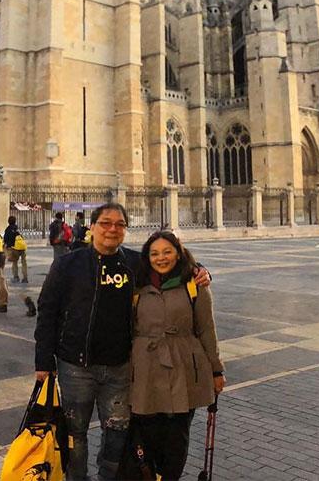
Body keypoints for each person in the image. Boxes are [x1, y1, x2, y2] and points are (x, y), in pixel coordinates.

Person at [34, 203, 211, 481]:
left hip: (119, 368)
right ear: (92, 227)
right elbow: (47, 312)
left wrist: (200, 270)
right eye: (105, 223)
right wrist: (43, 361)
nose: (112, 229)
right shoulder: (68, 264)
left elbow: (168, 262)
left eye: (119, 224)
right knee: (75, 435)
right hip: (76, 367)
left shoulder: (133, 262)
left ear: (125, 230)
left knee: (116, 435)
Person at [123, 231, 225, 481]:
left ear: (178, 253)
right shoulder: (137, 285)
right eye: (155, 253)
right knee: (146, 431)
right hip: (146, 367)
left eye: (167, 252)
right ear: (147, 257)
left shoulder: (194, 284)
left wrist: (216, 370)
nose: (161, 258)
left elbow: (206, 329)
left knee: (177, 434)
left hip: (183, 367)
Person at [4, 215, 29, 284]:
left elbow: (6, 240)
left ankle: (16, 277)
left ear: (8, 221)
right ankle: (25, 278)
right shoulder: (17, 228)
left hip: (14, 248)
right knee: (24, 263)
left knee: (15, 263)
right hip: (22, 247)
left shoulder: (8, 229)